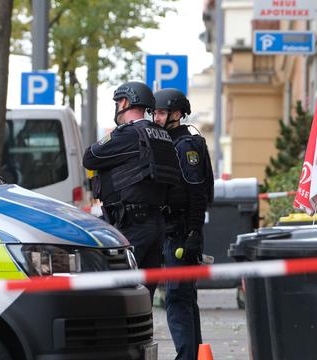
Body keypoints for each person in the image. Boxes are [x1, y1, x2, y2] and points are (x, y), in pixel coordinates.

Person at [82, 81, 180, 301]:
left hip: (131, 225)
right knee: (145, 295)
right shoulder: (161, 135)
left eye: (118, 102)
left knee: (120, 295)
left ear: (125, 102)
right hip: (156, 224)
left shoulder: (128, 134)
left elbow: (90, 157)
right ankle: (144, 336)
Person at [153, 88, 214, 360]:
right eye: (154, 112)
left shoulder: (185, 145)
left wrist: (192, 233)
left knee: (178, 298)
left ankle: (187, 356)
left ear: (176, 114)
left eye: (162, 112)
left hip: (181, 234)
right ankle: (195, 354)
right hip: (174, 232)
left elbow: (197, 193)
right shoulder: (169, 140)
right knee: (185, 298)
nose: (156, 117)